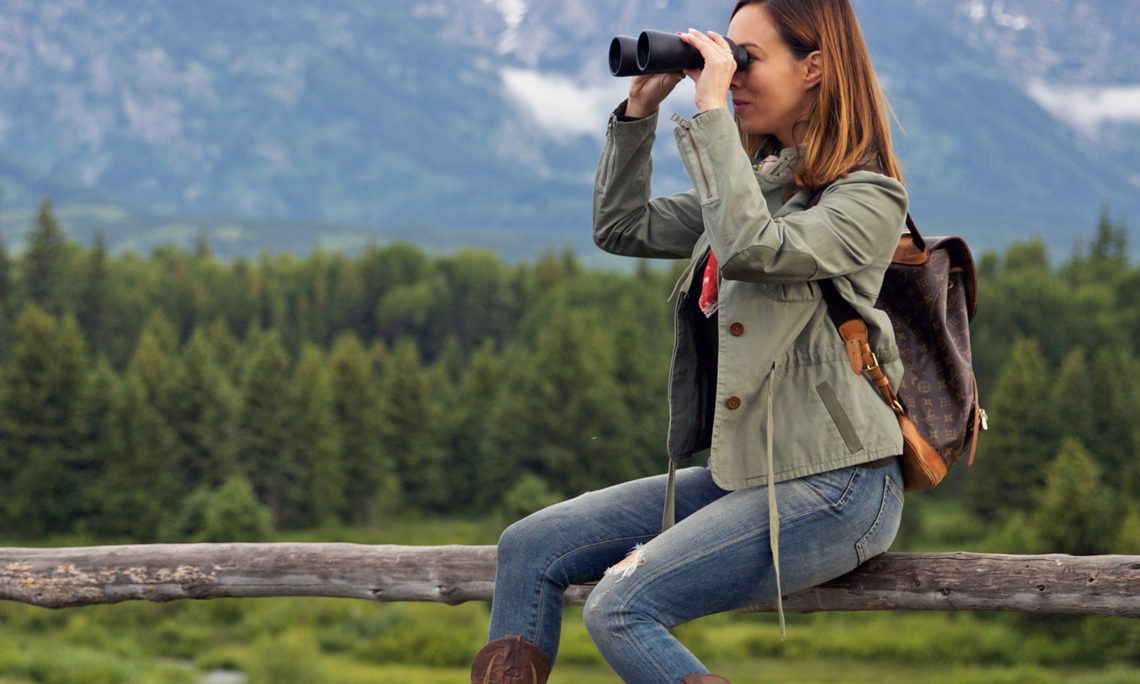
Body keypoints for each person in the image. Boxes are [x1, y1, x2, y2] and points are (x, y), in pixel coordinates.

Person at [470, 1, 907, 682]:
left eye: (745, 61)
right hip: (747, 480)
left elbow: (751, 250)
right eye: (719, 58)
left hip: (838, 488)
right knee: (529, 546)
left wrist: (708, 117)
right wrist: (638, 114)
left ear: (816, 66)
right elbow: (623, 227)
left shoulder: (868, 195)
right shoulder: (758, 184)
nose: (728, 76)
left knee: (621, 606)